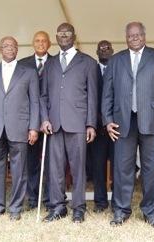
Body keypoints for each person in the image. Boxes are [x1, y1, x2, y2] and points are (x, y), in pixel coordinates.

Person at [102, 21, 154, 227]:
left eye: (138, 34)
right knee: (122, 168)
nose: (134, 38)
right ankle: (121, 211)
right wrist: (107, 120)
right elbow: (107, 93)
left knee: (151, 168)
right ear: (126, 38)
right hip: (122, 121)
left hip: (151, 119)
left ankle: (150, 212)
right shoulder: (116, 60)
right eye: (130, 35)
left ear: (144, 35)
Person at [0, 36, 40, 221]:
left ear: (17, 49)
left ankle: (16, 208)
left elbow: (35, 102)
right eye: (6, 46)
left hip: (20, 127)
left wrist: (34, 127)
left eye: (13, 46)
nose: (9, 48)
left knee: (20, 169)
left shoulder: (29, 72)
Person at [40, 23, 98, 223]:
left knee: (78, 168)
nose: (64, 36)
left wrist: (91, 124)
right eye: (60, 33)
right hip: (54, 124)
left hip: (78, 124)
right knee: (55, 168)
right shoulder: (50, 63)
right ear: (56, 37)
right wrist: (44, 118)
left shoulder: (88, 63)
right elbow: (43, 95)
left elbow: (93, 96)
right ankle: (57, 207)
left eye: (67, 33)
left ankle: (78, 208)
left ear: (74, 36)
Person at [19, 31, 52, 210]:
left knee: (50, 163)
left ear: (49, 44)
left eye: (44, 41)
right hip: (29, 121)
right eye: (37, 40)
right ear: (32, 43)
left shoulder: (56, 63)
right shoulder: (22, 64)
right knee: (30, 162)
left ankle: (48, 199)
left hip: (50, 121)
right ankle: (33, 198)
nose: (40, 43)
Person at [86, 40, 115, 213]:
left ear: (112, 51)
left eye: (107, 48)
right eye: (101, 49)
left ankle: (118, 201)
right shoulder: (91, 70)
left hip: (116, 128)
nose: (104, 51)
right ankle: (100, 202)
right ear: (96, 52)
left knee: (118, 167)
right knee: (97, 166)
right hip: (96, 128)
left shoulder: (119, 68)